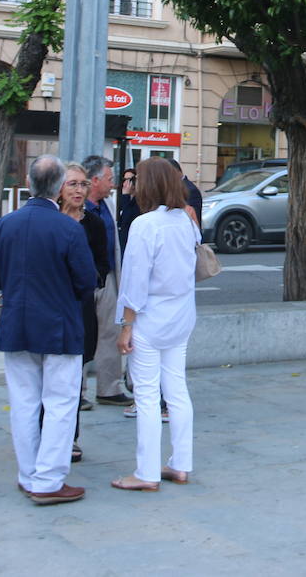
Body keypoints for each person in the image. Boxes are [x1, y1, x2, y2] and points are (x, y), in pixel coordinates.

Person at [0, 155, 98, 506]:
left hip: (17, 323)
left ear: (30, 182)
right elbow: (86, 280)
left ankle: (29, 474)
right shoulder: (68, 229)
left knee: (24, 403)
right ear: (59, 185)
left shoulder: (5, 224)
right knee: (61, 403)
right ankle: (48, 480)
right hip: (59, 325)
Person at [112, 157, 197, 491]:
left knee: (147, 395)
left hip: (150, 318)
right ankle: (181, 464)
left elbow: (134, 282)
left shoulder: (145, 225)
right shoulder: (186, 221)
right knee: (177, 390)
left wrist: (126, 326)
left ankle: (146, 473)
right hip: (181, 315)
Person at [56, 161, 105, 462]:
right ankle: (44, 432)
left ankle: (70, 437)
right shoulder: (50, 219)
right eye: (72, 183)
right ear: (59, 188)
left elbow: (103, 265)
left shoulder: (94, 223)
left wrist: (86, 277)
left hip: (80, 306)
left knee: (74, 378)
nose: (78, 189)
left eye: (83, 184)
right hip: (49, 306)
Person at [81, 156, 132, 408]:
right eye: (110, 179)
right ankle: (76, 392)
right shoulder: (75, 207)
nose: (113, 184)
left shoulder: (108, 205)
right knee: (80, 334)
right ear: (95, 180)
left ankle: (109, 388)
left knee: (111, 331)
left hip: (108, 276)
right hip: (80, 282)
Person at [117, 167, 141, 254]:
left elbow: (126, 219)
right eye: (125, 180)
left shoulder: (138, 201)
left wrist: (126, 196)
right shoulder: (121, 197)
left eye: (130, 180)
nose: (127, 183)